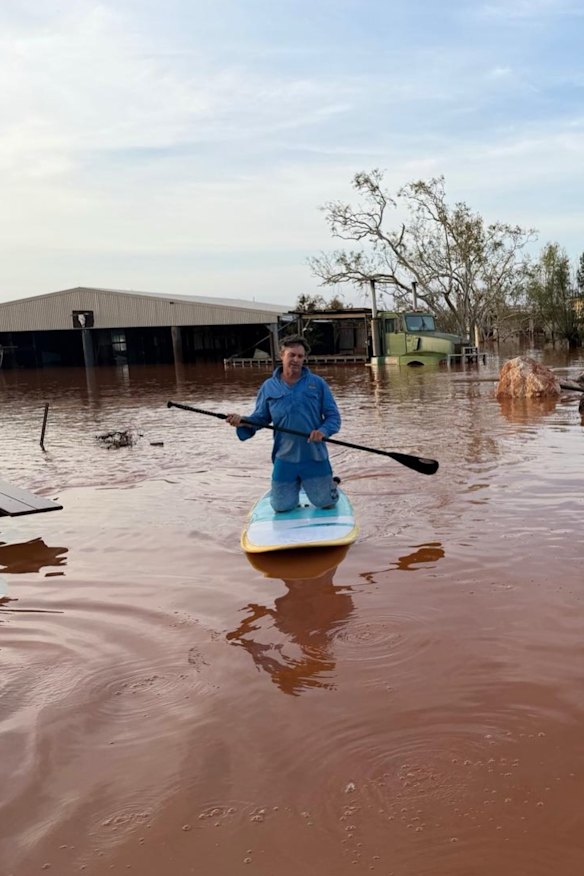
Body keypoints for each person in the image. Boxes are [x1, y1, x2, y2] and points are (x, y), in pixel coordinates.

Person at [226, 335, 341, 512]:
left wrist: (323, 431)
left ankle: (331, 485)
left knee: (325, 503)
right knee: (281, 507)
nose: (296, 360)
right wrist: (242, 421)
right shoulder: (268, 387)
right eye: (292, 355)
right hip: (284, 456)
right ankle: (292, 489)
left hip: (314, 456)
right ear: (282, 355)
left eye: (300, 356)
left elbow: (334, 417)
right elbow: (260, 419)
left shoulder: (317, 384)